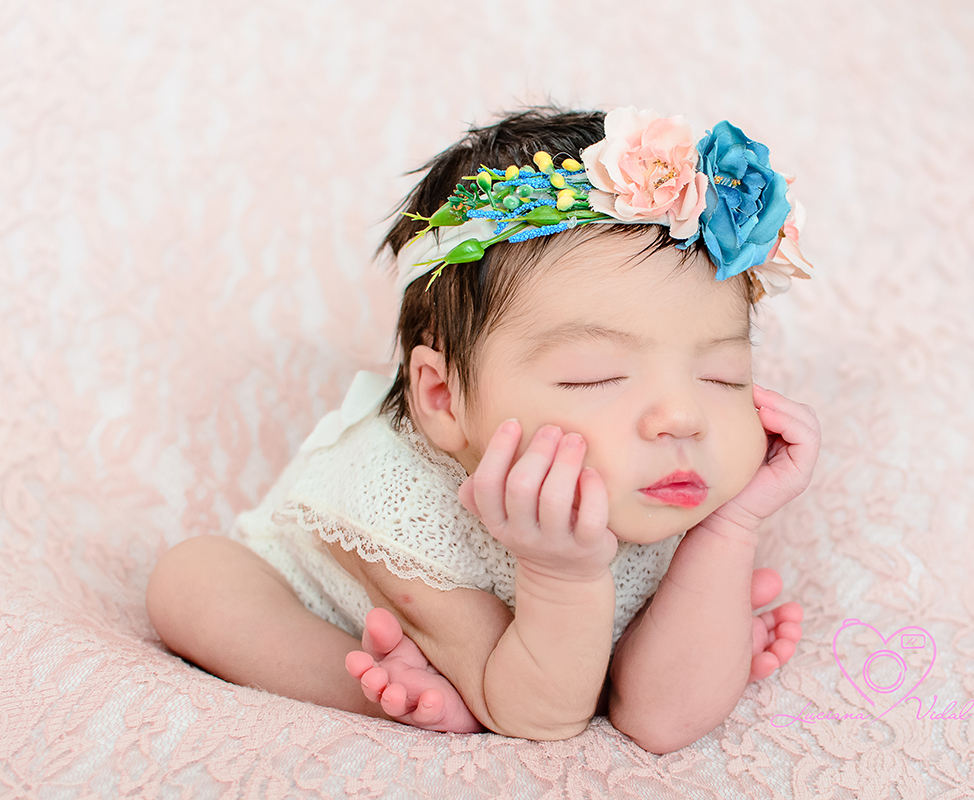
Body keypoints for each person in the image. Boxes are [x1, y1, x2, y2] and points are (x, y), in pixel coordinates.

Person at [146, 106, 819, 754]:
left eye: (723, 376)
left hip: (549, 646)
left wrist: (729, 532)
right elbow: (538, 716)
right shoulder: (408, 508)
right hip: (355, 612)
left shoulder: (665, 477)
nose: (683, 418)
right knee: (192, 580)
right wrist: (562, 576)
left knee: (673, 653)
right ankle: (373, 688)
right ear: (443, 397)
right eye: (595, 376)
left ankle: (628, 646)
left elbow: (664, 722)